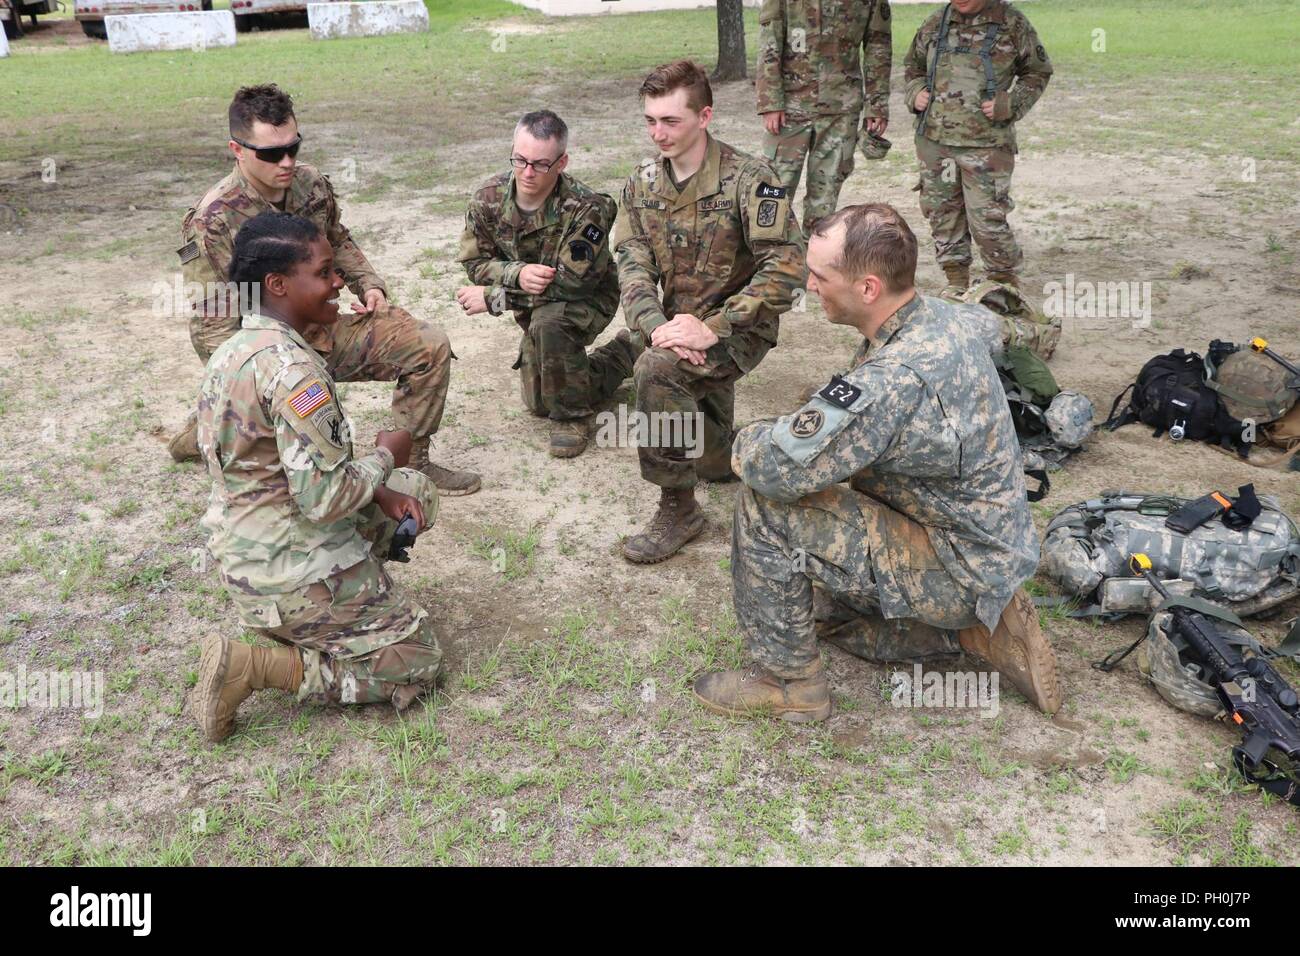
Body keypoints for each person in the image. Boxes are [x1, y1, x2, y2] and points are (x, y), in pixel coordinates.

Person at [693, 203, 1062, 722]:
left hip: (959, 560)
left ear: (868, 288)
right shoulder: (939, 315)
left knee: (766, 506)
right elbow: (998, 328)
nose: (809, 286)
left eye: (820, 275)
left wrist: (748, 439)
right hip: (978, 538)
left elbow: (773, 468)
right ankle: (968, 629)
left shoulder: (892, 380)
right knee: (826, 614)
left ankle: (791, 684)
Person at [191, 211, 444, 743]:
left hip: (245, 557)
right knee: (417, 660)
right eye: (326, 273)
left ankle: (325, 616)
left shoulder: (234, 350)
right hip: (287, 569)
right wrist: (384, 457)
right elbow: (325, 500)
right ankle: (257, 666)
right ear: (278, 284)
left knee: (413, 495)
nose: (338, 284)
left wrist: (382, 487)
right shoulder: (293, 372)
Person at [171, 83, 479, 496]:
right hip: (262, 351)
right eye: (270, 153)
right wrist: (246, 384)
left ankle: (412, 461)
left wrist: (369, 284)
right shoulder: (214, 220)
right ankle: (211, 424)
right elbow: (214, 322)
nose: (286, 162)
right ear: (238, 149)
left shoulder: (309, 186)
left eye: (293, 148)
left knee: (428, 345)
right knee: (292, 469)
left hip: (320, 330)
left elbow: (339, 239)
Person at [614, 60, 805, 564]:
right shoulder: (641, 184)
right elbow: (632, 265)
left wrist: (713, 328)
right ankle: (737, 446)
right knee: (713, 459)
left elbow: (787, 270)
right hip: (673, 329)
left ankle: (679, 510)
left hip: (739, 328)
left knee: (654, 373)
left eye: (671, 121)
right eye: (651, 121)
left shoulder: (751, 180)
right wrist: (657, 328)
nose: (659, 133)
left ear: (705, 116)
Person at [455, 110, 641, 457]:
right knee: (539, 402)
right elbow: (474, 262)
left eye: (540, 164)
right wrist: (517, 273)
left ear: (562, 162)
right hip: (535, 299)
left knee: (549, 322)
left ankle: (572, 417)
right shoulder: (488, 199)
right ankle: (621, 355)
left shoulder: (590, 208)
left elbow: (570, 284)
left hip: (588, 297)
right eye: (520, 160)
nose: (527, 172)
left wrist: (496, 299)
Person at [902, 0, 1052, 292]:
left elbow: (1038, 71)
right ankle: (956, 282)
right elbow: (913, 66)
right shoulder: (936, 21)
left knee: (987, 220)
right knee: (943, 216)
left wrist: (1010, 103)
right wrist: (915, 91)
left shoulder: (1012, 23)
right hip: (934, 143)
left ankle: (1003, 285)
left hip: (986, 146)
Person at [756, 0, 892, 232]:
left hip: (841, 107)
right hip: (790, 106)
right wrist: (770, 101)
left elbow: (878, 46)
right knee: (775, 187)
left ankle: (814, 258)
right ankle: (766, 253)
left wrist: (876, 104)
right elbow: (770, 40)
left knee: (825, 195)